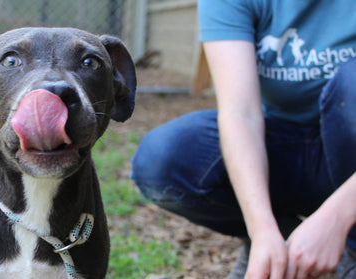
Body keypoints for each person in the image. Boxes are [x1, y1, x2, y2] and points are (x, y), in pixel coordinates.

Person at [130, 1, 356, 278]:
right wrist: (262, 230)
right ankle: (280, 242)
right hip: (283, 145)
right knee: (162, 158)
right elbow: (241, 113)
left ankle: (352, 246)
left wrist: (339, 217)